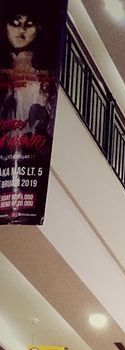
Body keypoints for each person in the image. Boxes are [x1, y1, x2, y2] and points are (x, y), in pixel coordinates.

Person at [0, 2, 56, 222]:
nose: (21, 31)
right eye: (15, 23)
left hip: (26, 154)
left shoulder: (45, 76)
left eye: (28, 24)